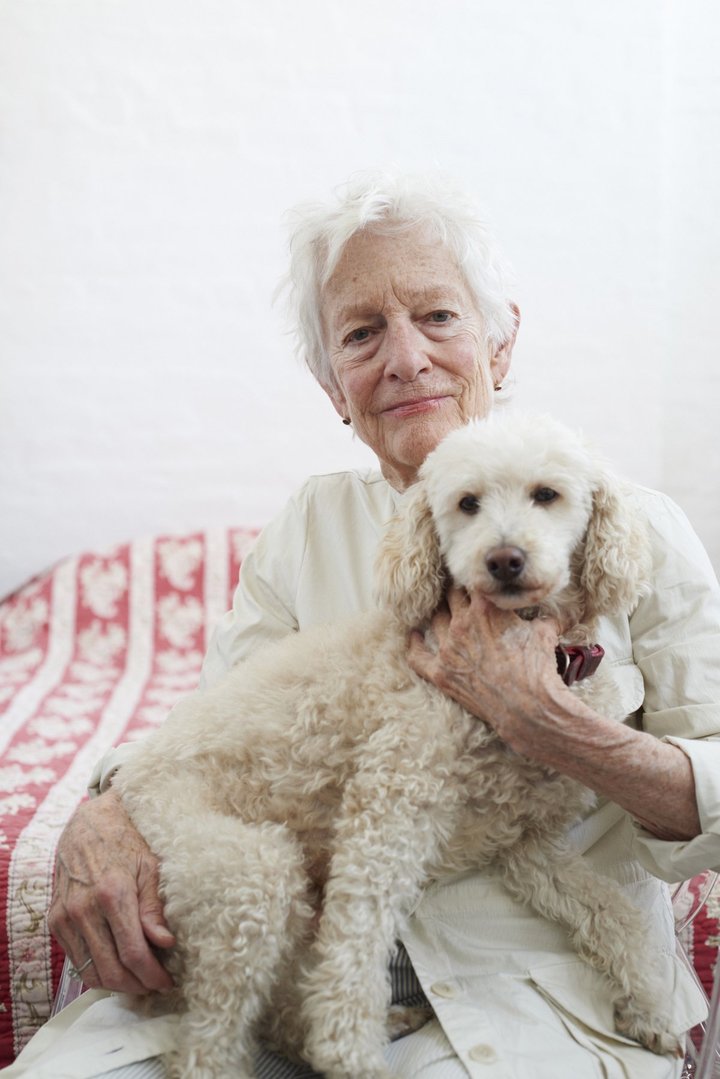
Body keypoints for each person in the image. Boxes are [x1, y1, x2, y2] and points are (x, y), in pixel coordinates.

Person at [7, 171, 720, 1079]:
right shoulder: (304, 529)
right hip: (283, 975)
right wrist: (104, 808)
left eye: (438, 317)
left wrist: (552, 726)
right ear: (332, 384)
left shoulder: (637, 524)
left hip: (530, 993)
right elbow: (214, 733)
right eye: (361, 333)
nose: (406, 358)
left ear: (500, 342)